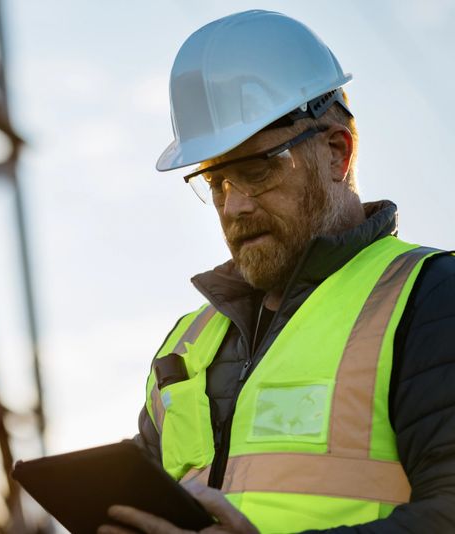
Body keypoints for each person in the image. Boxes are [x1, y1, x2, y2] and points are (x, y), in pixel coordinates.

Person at [98, 10, 455, 534]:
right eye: (216, 181)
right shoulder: (186, 346)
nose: (234, 205)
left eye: (257, 169)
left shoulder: (432, 298)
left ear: (337, 152)